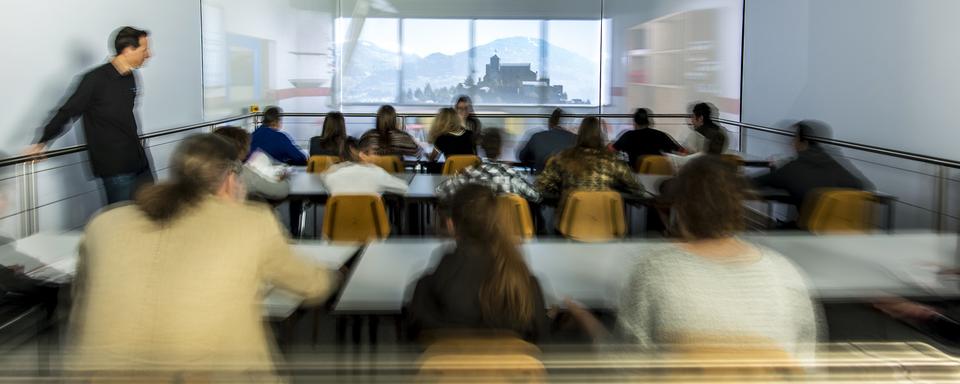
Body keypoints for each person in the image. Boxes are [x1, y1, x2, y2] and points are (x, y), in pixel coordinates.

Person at [68, 134, 338, 380]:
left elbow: (81, 297)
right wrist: (333, 275)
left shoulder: (105, 223)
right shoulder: (250, 224)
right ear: (232, 178)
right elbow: (312, 285)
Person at [571, 157, 819, 359]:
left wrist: (583, 316)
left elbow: (626, 367)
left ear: (681, 207)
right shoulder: (785, 275)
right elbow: (804, 368)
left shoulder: (655, 271)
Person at [27, 27, 154, 204]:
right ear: (128, 50)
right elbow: (68, 111)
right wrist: (42, 141)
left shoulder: (131, 77)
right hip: (115, 167)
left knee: (153, 211)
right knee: (119, 220)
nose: (149, 54)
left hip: (139, 161)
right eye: (144, 49)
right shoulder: (94, 79)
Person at [407, 184, 548, 342]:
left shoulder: (427, 289)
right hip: (510, 367)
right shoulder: (525, 288)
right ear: (497, 223)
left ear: (451, 225)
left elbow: (412, 340)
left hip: (448, 365)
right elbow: (540, 343)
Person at [753, 120, 872, 207]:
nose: (792, 143)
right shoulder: (837, 163)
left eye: (794, 138)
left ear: (804, 142)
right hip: (845, 233)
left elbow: (755, 183)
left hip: (810, 233)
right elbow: (863, 186)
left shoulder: (793, 169)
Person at [536, 116, 643, 205]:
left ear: (580, 134)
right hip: (606, 224)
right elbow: (637, 188)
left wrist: (559, 188)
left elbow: (541, 185)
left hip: (569, 224)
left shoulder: (562, 158)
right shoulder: (613, 161)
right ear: (600, 135)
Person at [436, 128, 541, 203]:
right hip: (507, 232)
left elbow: (440, 190)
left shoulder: (468, 175)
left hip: (477, 231)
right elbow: (536, 196)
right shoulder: (512, 176)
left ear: (481, 148)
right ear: (500, 150)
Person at [213, 126, 290, 201]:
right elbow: (280, 191)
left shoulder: (204, 168)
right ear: (242, 149)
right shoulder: (245, 175)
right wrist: (286, 177)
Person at [322, 137, 410, 195]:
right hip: (372, 223)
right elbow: (404, 188)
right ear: (362, 155)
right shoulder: (377, 174)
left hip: (339, 223)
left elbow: (325, 181)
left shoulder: (331, 177)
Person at [612, 108, 682, 168]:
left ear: (635, 123)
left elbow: (611, 150)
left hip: (636, 175)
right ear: (648, 122)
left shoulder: (628, 136)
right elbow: (679, 150)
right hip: (658, 174)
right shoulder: (660, 135)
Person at [518, 108, 576, 173]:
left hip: (542, 179)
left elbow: (522, 157)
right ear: (567, 123)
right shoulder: (576, 139)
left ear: (550, 122)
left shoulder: (537, 137)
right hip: (568, 181)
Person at [359, 105, 423, 158]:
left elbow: (358, 155)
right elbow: (419, 154)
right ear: (394, 120)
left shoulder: (367, 137)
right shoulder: (404, 137)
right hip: (397, 173)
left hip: (372, 172)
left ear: (378, 119)